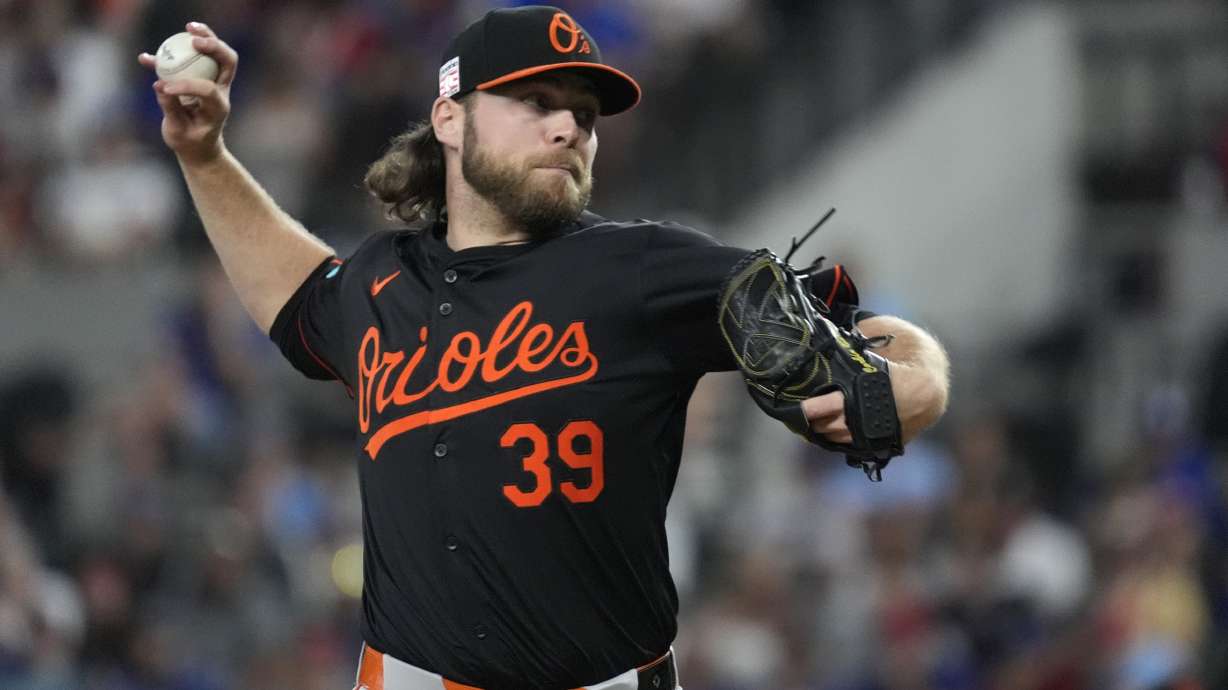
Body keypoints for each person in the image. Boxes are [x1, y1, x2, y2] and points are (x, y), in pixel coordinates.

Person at [139, 6, 949, 689]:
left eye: (586, 116)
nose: (569, 128)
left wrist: (921, 378)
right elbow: (294, 292)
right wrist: (204, 157)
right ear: (450, 117)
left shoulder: (641, 268)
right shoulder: (382, 281)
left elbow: (854, 331)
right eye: (535, 100)